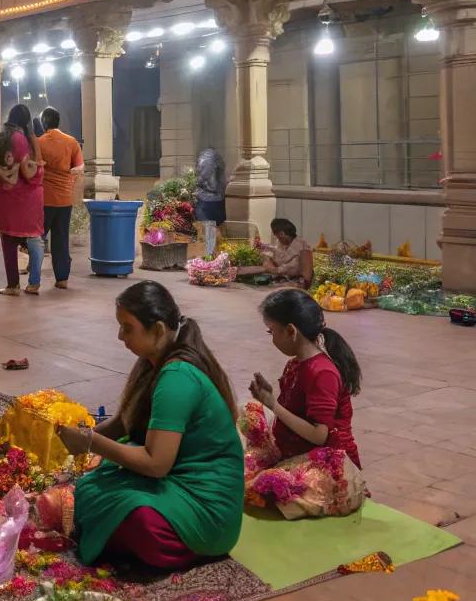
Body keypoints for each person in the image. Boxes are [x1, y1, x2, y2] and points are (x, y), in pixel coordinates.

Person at [58, 280, 244, 569]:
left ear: (157, 329)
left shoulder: (178, 376)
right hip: (176, 484)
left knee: (136, 518)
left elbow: (157, 464)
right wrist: (82, 436)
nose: (120, 336)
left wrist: (90, 442)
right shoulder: (154, 358)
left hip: (208, 509)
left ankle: (183, 546)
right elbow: (125, 421)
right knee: (92, 487)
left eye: (127, 328)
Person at [244, 287, 364, 518]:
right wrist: (269, 398)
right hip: (297, 454)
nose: (272, 338)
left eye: (272, 332)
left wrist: (273, 405)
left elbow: (320, 435)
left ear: (291, 331)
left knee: (266, 487)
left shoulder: (322, 372)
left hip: (329, 465)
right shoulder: (297, 363)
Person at [0, 103, 44, 295]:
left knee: (8, 240)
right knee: (35, 239)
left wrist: (1, 180)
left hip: (8, 197)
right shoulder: (29, 140)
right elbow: (34, 170)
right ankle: (34, 283)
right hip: (30, 199)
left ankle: (13, 285)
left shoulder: (3, 136)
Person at [39, 107, 84, 290]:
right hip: (65, 199)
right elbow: (79, 167)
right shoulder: (71, 142)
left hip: (44, 198)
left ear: (44, 123)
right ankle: (62, 279)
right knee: (61, 238)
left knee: (37, 238)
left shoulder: (39, 142)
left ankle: (34, 278)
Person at [259, 218, 313, 288]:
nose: (277, 239)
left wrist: (288, 284)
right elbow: (269, 264)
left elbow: (306, 279)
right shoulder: (280, 245)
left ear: (282, 234)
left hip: (294, 288)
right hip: (278, 284)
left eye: (277, 236)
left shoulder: (303, 248)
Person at [193, 147, 227, 258]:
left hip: (216, 203)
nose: (199, 168)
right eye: (199, 164)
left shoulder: (220, 182)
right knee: (208, 229)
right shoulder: (200, 184)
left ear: (214, 166)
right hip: (205, 203)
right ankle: (210, 255)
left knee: (213, 230)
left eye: (203, 165)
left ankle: (214, 255)